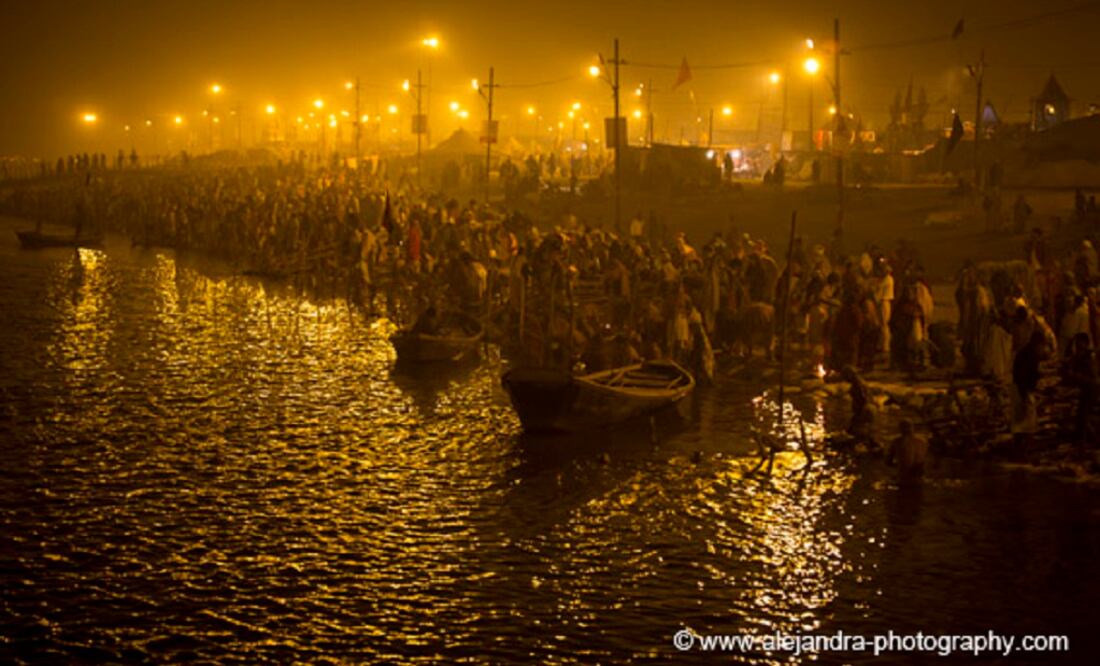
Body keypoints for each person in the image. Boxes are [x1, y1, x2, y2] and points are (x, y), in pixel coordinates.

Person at [1062, 332, 1098, 445]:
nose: (1078, 347)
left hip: (1091, 389)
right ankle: (1082, 439)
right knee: (1081, 416)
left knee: (1083, 416)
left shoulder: (1089, 358)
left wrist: (1076, 376)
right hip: (1086, 389)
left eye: (1079, 344)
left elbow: (1093, 378)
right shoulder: (1079, 356)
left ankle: (1088, 440)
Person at [887, 420, 929, 484]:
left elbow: (888, 462)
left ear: (900, 429)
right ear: (913, 429)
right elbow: (923, 461)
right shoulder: (921, 442)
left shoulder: (896, 442)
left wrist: (898, 465)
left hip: (903, 478)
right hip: (918, 479)